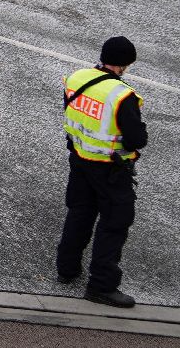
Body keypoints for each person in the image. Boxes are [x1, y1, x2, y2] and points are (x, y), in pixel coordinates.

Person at [56, 36, 146, 308]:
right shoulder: (122, 95)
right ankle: (102, 286)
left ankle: (67, 269)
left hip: (80, 158)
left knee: (80, 213)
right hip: (110, 169)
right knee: (114, 222)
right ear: (125, 65)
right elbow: (135, 139)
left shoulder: (77, 78)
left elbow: (72, 113)